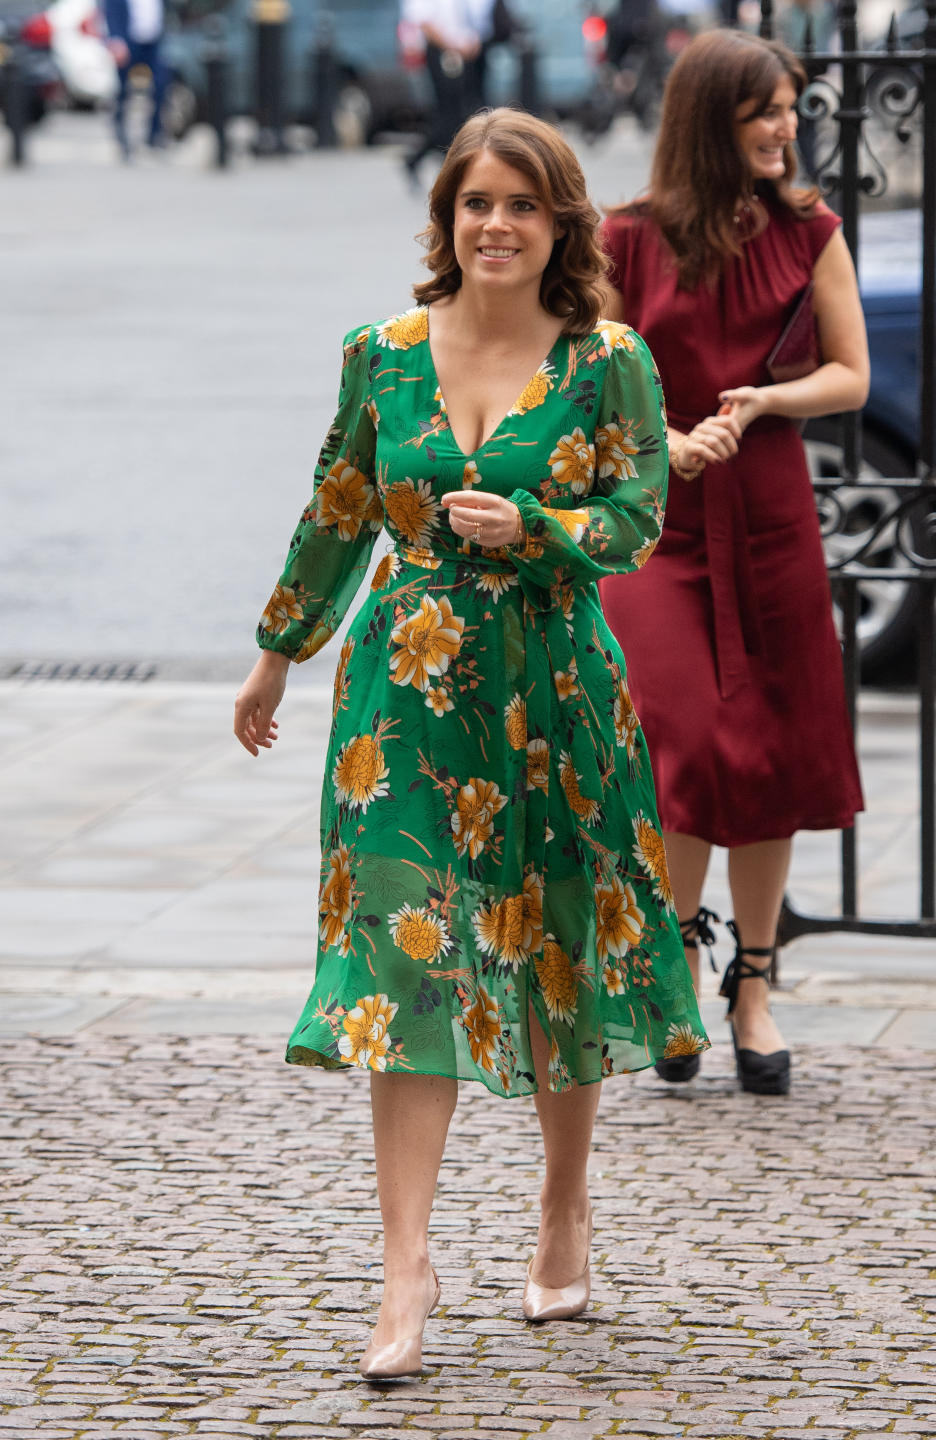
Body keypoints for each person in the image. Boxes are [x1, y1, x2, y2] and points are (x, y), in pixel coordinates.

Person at [234, 107, 708, 1379]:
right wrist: (280, 650)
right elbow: (340, 502)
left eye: (520, 204)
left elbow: (638, 515)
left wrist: (541, 532)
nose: (494, 224)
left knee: (562, 941)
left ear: (561, 223)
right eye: (474, 203)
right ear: (445, 218)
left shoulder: (608, 359)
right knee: (407, 961)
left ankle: (561, 1213)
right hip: (404, 700)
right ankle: (407, 1272)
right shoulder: (382, 354)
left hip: (556, 694)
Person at [599, 29, 868, 1097]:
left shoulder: (809, 232)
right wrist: (662, 439)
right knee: (688, 742)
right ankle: (673, 965)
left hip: (768, 513)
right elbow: (592, 372)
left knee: (772, 753)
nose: (785, 126)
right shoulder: (627, 237)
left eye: (791, 108)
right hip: (661, 524)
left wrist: (765, 400)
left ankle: (751, 986)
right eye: (765, 109)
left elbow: (847, 374)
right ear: (711, 118)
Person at [401, 0, 493, 184]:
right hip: (443, 53)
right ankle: (444, 163)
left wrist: (474, 41)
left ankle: (436, 162)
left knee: (469, 111)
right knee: (450, 113)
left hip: (469, 53)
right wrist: (453, 45)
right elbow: (423, 21)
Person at [103, 0, 168, 158]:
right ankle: (121, 134)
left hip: (153, 42)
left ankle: (154, 135)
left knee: (161, 85)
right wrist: (116, 39)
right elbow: (111, 9)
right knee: (124, 91)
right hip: (128, 40)